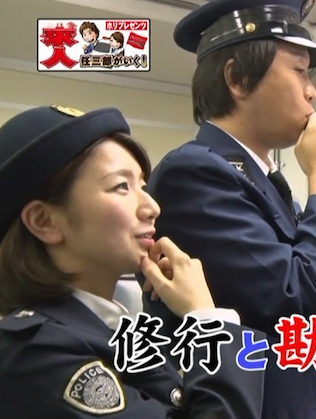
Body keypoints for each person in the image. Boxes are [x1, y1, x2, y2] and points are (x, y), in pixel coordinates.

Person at [140, 0, 316, 418]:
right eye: (299, 70)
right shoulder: (193, 173)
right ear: (237, 78)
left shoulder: (265, 182)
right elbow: (304, 308)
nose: (311, 91)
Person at [0, 105, 265, 418]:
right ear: (44, 221)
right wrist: (207, 320)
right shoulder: (35, 350)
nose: (152, 207)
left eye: (142, 185)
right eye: (121, 186)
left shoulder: (108, 327)